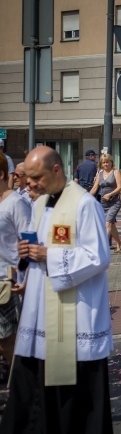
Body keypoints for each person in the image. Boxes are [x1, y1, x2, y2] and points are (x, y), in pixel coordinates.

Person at [0, 146, 115, 434]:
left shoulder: (84, 204)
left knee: (63, 386)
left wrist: (46, 255)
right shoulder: (38, 204)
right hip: (39, 307)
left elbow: (98, 256)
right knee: (28, 379)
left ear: (55, 170)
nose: (29, 183)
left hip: (72, 312)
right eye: (27, 177)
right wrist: (25, 256)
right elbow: (36, 248)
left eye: (35, 177)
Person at [0, 156, 31, 380]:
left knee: (6, 340)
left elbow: (30, 242)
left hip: (7, 281)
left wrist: (26, 278)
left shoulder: (16, 203)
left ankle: (21, 389)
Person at [89, 153, 121, 253]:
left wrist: (110, 194)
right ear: (101, 164)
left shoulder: (116, 172)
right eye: (104, 162)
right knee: (111, 224)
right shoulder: (99, 173)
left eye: (107, 162)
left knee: (107, 223)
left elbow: (120, 187)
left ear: (111, 162)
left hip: (114, 201)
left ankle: (101, 247)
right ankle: (119, 243)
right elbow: (95, 187)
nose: (106, 164)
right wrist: (86, 197)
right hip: (103, 202)